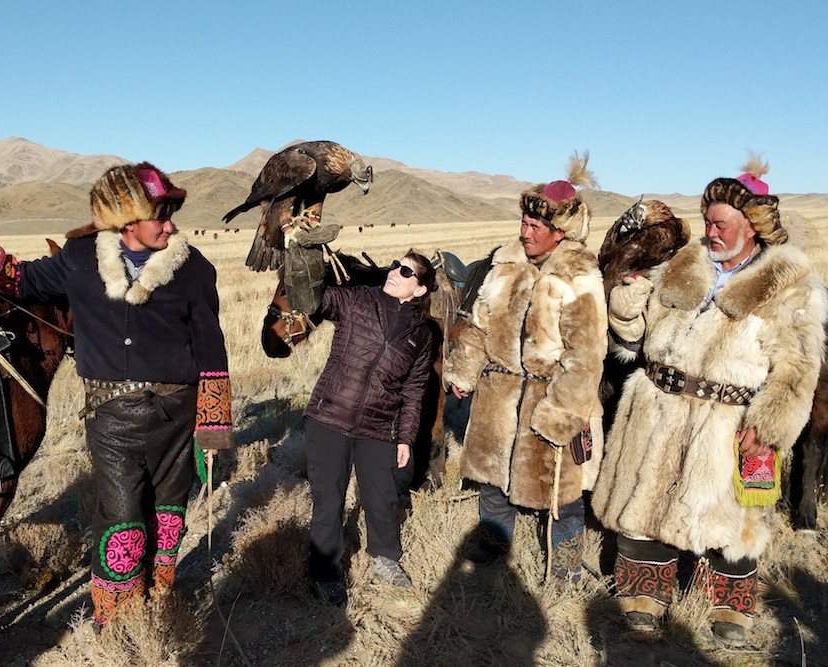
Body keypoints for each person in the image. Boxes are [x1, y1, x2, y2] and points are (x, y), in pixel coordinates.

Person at [0, 162, 234, 627]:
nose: (170, 225)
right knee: (121, 519)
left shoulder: (195, 269)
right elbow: (19, 280)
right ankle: (119, 621)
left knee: (169, 515)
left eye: (171, 213)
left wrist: (214, 431)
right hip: (111, 418)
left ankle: (158, 596)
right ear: (126, 220)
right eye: (160, 215)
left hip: (177, 416)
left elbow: (212, 350)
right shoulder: (79, 259)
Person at [591, 160, 827, 645]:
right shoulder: (683, 265)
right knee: (645, 504)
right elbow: (637, 341)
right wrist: (627, 310)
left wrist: (771, 426)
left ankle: (730, 606)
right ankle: (643, 596)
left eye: (721, 224)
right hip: (658, 405)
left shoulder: (791, 286)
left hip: (732, 419)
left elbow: (798, 371)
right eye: (707, 221)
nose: (710, 232)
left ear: (752, 227)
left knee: (735, 517)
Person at [444, 153, 607, 581]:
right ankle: (494, 539)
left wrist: (563, 413)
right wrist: (463, 370)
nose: (525, 232)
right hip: (499, 389)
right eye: (524, 223)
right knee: (494, 476)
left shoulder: (579, 276)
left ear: (560, 232)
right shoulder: (505, 264)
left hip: (550, 393)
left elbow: (587, 355)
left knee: (561, 488)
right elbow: (479, 323)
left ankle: (566, 561)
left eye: (536, 227)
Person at [305, 251, 436, 607]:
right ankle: (325, 573)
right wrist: (303, 257)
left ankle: (385, 559)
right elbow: (313, 298)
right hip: (330, 416)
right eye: (394, 265)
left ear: (420, 289)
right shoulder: (357, 299)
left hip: (379, 426)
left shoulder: (421, 335)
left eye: (405, 270)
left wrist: (406, 437)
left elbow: (414, 390)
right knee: (328, 500)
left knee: (382, 498)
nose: (394, 271)